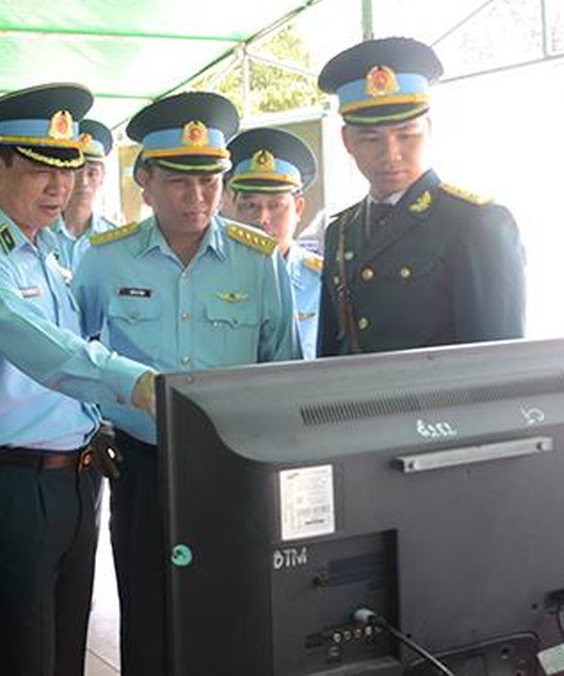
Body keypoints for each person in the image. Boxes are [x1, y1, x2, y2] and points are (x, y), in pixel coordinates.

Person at [0, 83, 155, 676]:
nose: (59, 187)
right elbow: (48, 352)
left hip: (69, 478)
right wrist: (139, 383)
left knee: (60, 649)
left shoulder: (48, 249)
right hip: (5, 485)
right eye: (40, 171)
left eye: (69, 170)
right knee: (7, 652)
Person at [72, 92, 300, 676]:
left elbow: (283, 366)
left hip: (236, 468)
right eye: (179, 182)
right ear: (144, 181)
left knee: (235, 608)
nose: (198, 198)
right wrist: (94, 427)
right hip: (143, 465)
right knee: (146, 608)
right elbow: (76, 354)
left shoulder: (259, 260)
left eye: (211, 182)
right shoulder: (103, 259)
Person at [316, 36, 526, 356]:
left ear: (428, 129)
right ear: (347, 140)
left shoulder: (476, 223)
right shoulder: (340, 232)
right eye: (371, 139)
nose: (391, 155)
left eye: (406, 135)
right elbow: (331, 353)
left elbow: (498, 362)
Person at [223, 127, 324, 358]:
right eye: (250, 205)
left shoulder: (324, 282)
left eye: (275, 205)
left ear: (298, 208)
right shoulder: (209, 276)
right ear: (232, 207)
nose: (262, 219)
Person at [48, 118, 117, 276]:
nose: (83, 182)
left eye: (92, 173)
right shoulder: (38, 232)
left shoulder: (115, 240)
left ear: (102, 177)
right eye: (76, 172)